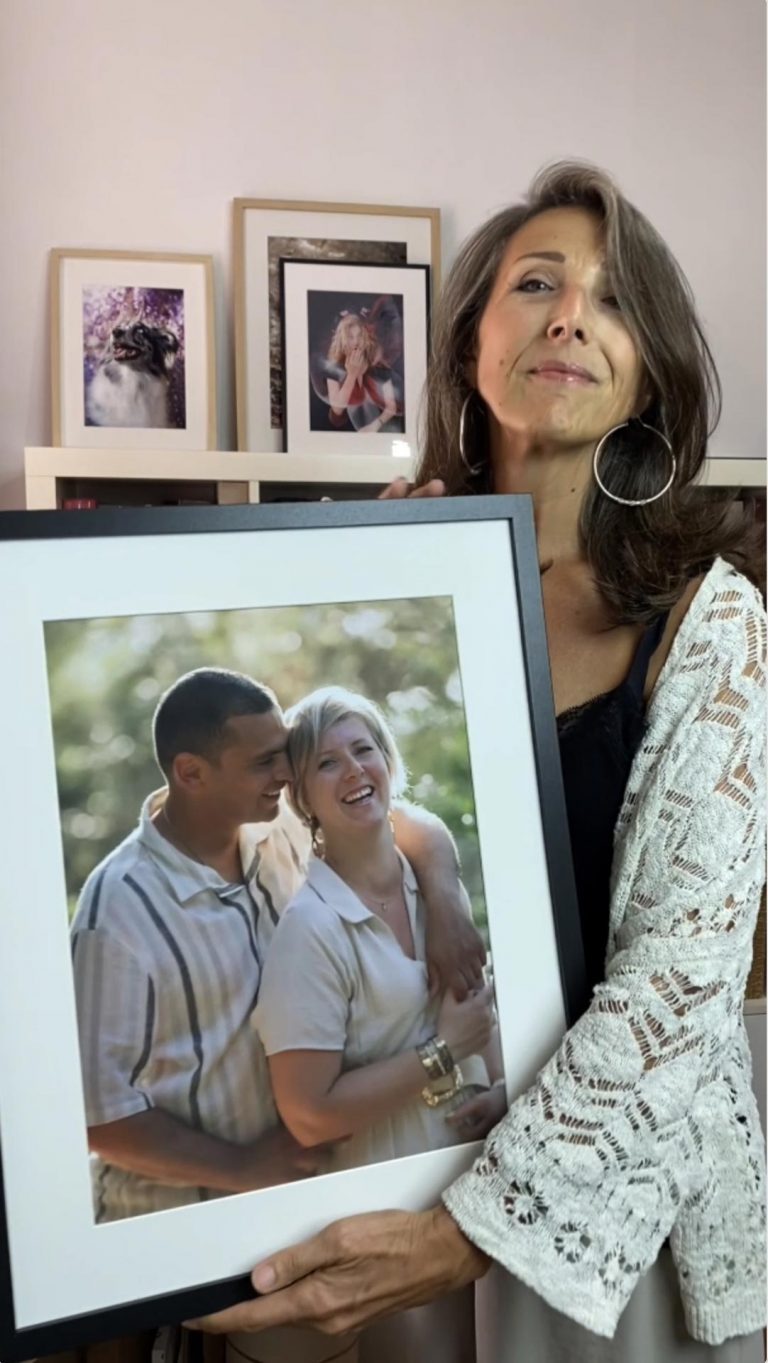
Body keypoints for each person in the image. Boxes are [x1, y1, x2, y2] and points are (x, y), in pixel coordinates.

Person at [190, 163, 766, 1361]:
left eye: (611, 302)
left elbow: (681, 986)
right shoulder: (394, 577)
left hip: (610, 1238)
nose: (569, 316)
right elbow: (306, 854)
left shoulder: (715, 625)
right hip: (395, 1193)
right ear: (468, 347)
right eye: (538, 282)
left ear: (648, 368)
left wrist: (470, 1233)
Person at [70, 667, 485, 1226]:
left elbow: (384, 814)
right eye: (265, 762)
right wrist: (241, 1165)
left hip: (297, 1207)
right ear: (191, 773)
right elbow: (96, 1113)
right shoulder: (116, 914)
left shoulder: (273, 820)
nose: (286, 773)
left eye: (286, 755)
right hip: (180, 1228)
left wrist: (445, 900)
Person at [251, 687, 505, 1361]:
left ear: (389, 760)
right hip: (392, 1209)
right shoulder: (309, 930)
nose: (355, 770)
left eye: (364, 749)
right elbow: (308, 1113)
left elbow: (484, 1006)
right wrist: (444, 1051)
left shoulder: (433, 885)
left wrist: (507, 1090)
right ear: (302, 797)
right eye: (327, 763)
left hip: (492, 1191)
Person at [314, 300, 403, 434]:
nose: (356, 342)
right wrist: (352, 374)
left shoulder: (376, 366)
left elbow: (391, 406)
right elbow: (337, 409)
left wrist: (375, 426)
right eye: (350, 337)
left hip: (380, 429)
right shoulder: (332, 368)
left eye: (359, 336)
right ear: (343, 339)